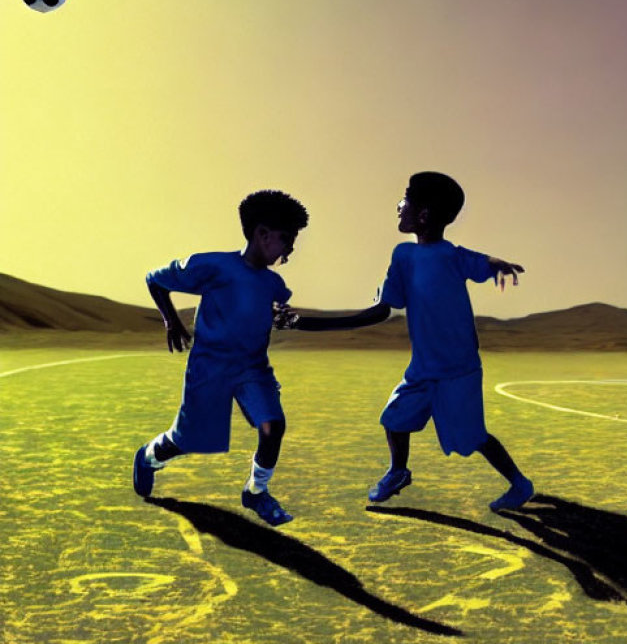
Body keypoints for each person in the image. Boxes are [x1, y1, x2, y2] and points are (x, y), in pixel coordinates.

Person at [277, 171, 534, 512]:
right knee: (394, 418)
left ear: (424, 215)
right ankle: (398, 471)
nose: (398, 206)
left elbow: (480, 262)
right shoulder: (403, 256)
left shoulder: (451, 256)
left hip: (459, 369)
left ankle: (519, 483)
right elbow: (381, 311)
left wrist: (496, 264)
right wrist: (306, 323)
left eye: (405, 200)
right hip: (424, 368)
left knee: (473, 438)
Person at [132, 189, 309, 526]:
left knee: (273, 426)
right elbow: (155, 280)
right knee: (187, 440)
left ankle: (256, 492)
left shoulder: (273, 283)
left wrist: (281, 314)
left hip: (253, 368)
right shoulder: (213, 265)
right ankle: (149, 456)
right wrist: (171, 320)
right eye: (286, 239)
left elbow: (273, 308)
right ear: (262, 234)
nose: (290, 248)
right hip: (210, 367)